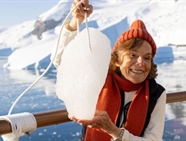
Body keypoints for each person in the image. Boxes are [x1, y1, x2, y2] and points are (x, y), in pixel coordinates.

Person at [51, 0, 167, 140]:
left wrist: (114, 131)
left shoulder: (156, 93)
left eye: (147, 57)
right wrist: (76, 20)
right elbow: (63, 61)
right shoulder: (100, 77)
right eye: (133, 55)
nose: (141, 62)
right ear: (117, 60)